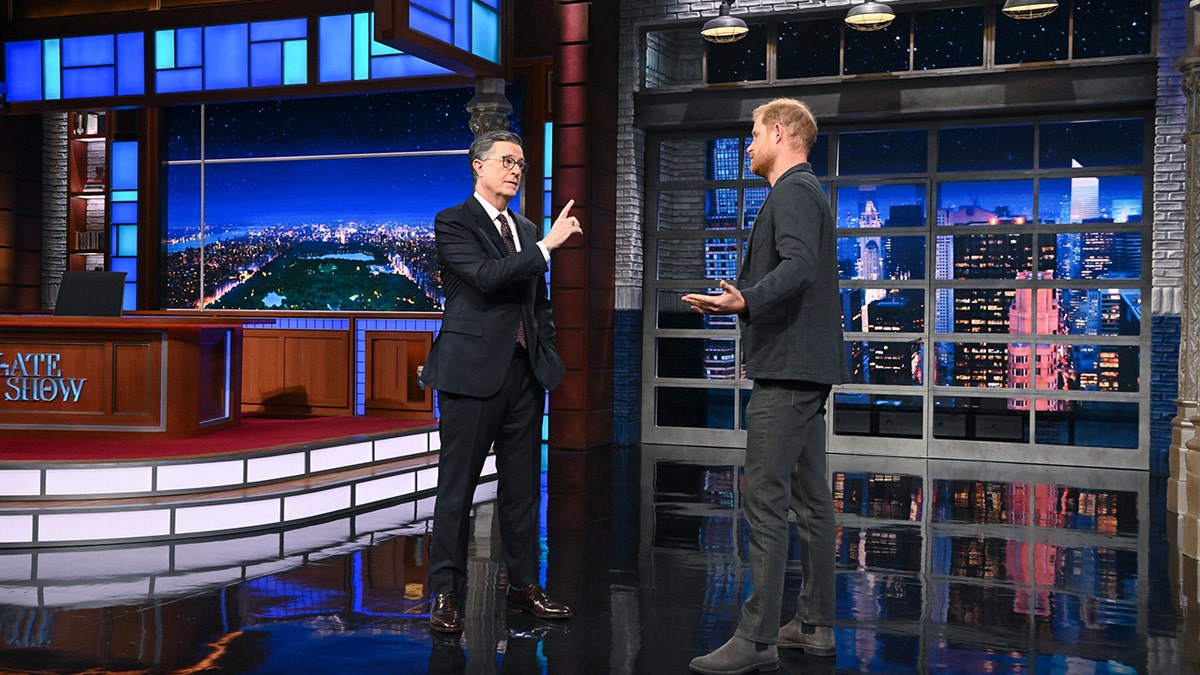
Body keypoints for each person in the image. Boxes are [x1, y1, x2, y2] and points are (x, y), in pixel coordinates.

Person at [682, 98, 848, 675]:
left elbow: (798, 265)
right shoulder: (806, 190)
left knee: (766, 501)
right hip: (804, 370)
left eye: (754, 133)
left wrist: (745, 300)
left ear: (779, 133)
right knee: (811, 500)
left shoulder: (794, 191)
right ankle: (815, 624)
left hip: (788, 372)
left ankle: (756, 638)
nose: (749, 144)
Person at [419, 128, 582, 633]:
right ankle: (447, 593)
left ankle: (523, 586)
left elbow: (538, 303)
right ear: (479, 166)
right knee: (457, 489)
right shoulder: (454, 222)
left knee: (522, 490)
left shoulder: (526, 228)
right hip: (470, 375)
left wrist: (544, 350)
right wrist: (547, 246)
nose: (516, 171)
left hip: (523, 374)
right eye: (507, 161)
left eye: (521, 164)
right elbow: (487, 277)